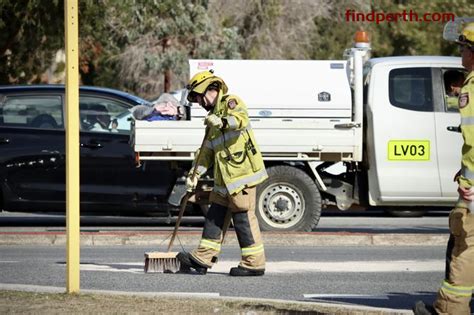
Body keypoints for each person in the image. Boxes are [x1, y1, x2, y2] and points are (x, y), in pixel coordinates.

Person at [176, 70, 268, 276]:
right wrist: (195, 174)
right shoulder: (211, 119)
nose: (199, 102)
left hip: (241, 176)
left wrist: (223, 122)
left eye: (199, 97)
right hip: (223, 179)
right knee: (215, 216)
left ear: (211, 90)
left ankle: (254, 264)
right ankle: (202, 259)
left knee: (243, 216)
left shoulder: (230, 103)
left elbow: (241, 119)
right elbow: (206, 153)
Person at [414, 22, 474, 315]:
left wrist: (471, 180)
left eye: (463, 47)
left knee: (465, 247)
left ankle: (449, 310)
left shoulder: (473, 85)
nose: (461, 52)